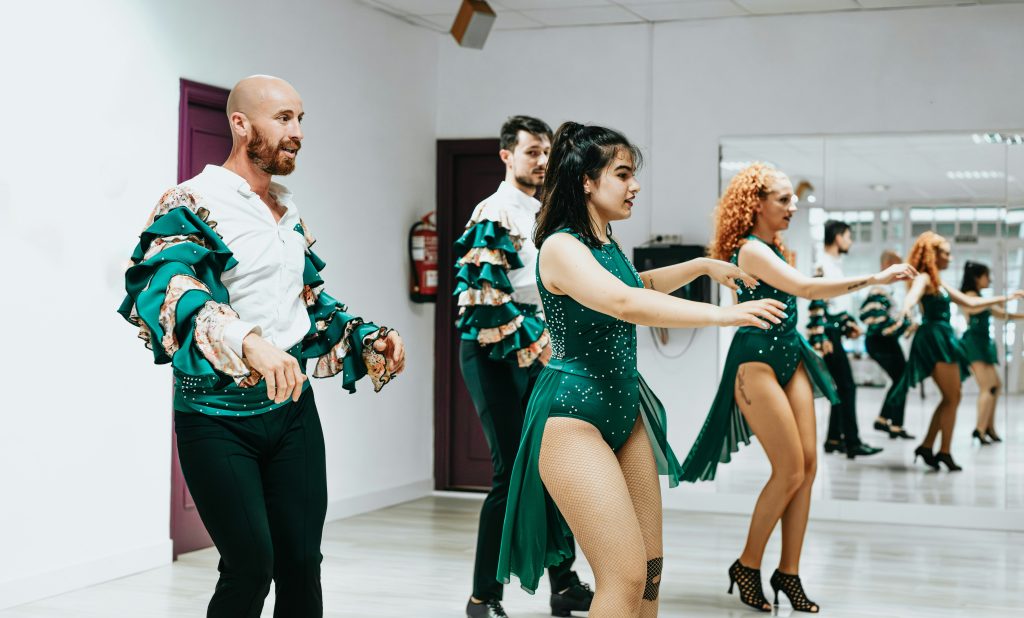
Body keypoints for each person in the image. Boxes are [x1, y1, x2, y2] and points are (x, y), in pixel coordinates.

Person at [117, 76, 406, 617]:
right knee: (250, 566)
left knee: (301, 564)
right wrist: (247, 342)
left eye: (300, 119)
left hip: (292, 415)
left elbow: (308, 303)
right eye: (283, 119)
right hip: (216, 419)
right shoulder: (192, 200)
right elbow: (168, 288)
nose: (296, 133)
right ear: (240, 123)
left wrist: (367, 336)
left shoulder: (287, 211)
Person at [496, 124, 787, 618]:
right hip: (571, 418)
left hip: (623, 411)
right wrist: (722, 315)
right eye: (623, 174)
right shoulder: (561, 247)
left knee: (649, 575)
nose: (634, 186)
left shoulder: (605, 243)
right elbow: (625, 301)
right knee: (624, 575)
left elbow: (639, 281)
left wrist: (699, 266)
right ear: (586, 181)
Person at [680, 163, 916, 613]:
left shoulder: (774, 247)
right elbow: (806, 288)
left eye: (793, 199)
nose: (793, 207)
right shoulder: (749, 250)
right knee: (789, 469)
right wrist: (874, 278)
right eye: (784, 199)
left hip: (792, 354)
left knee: (808, 469)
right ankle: (747, 564)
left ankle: (788, 572)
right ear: (756, 203)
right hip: (755, 362)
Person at [454, 115, 593, 618]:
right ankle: (482, 597)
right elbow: (486, 301)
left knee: (554, 466)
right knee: (509, 471)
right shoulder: (494, 212)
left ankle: (565, 584)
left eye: (546, 152)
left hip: (539, 349)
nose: (541, 161)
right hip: (492, 354)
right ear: (507, 156)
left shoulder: (549, 214)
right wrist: (542, 347)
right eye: (532, 151)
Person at [889, 232, 1022, 471]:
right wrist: (907, 309)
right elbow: (912, 293)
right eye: (947, 253)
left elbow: (970, 303)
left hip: (943, 337)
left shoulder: (939, 282)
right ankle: (943, 451)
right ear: (933, 255)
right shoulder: (926, 279)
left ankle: (930, 446)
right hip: (934, 338)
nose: (951, 258)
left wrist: (1005, 297)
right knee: (953, 397)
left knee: (952, 397)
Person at [806, 220, 883, 459]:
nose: (850, 241)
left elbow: (835, 305)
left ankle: (834, 439)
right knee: (847, 386)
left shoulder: (835, 265)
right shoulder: (823, 264)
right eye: (848, 236)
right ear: (838, 237)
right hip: (827, 336)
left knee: (841, 387)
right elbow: (817, 301)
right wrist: (820, 338)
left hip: (834, 332)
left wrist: (848, 324)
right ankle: (852, 441)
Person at [958, 260, 1024, 444]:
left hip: (983, 343)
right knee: (988, 387)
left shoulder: (980, 297)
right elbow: (976, 306)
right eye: (987, 275)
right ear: (977, 278)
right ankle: (980, 429)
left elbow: (1001, 314)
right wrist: (1004, 299)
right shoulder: (970, 295)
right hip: (974, 344)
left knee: (996, 385)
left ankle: (989, 427)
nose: (990, 279)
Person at [859, 250, 917, 440]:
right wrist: (905, 324)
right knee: (901, 378)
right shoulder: (878, 290)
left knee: (901, 378)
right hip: (880, 342)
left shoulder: (888, 291)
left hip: (886, 341)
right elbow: (874, 321)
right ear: (887, 266)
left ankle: (888, 421)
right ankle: (889, 421)